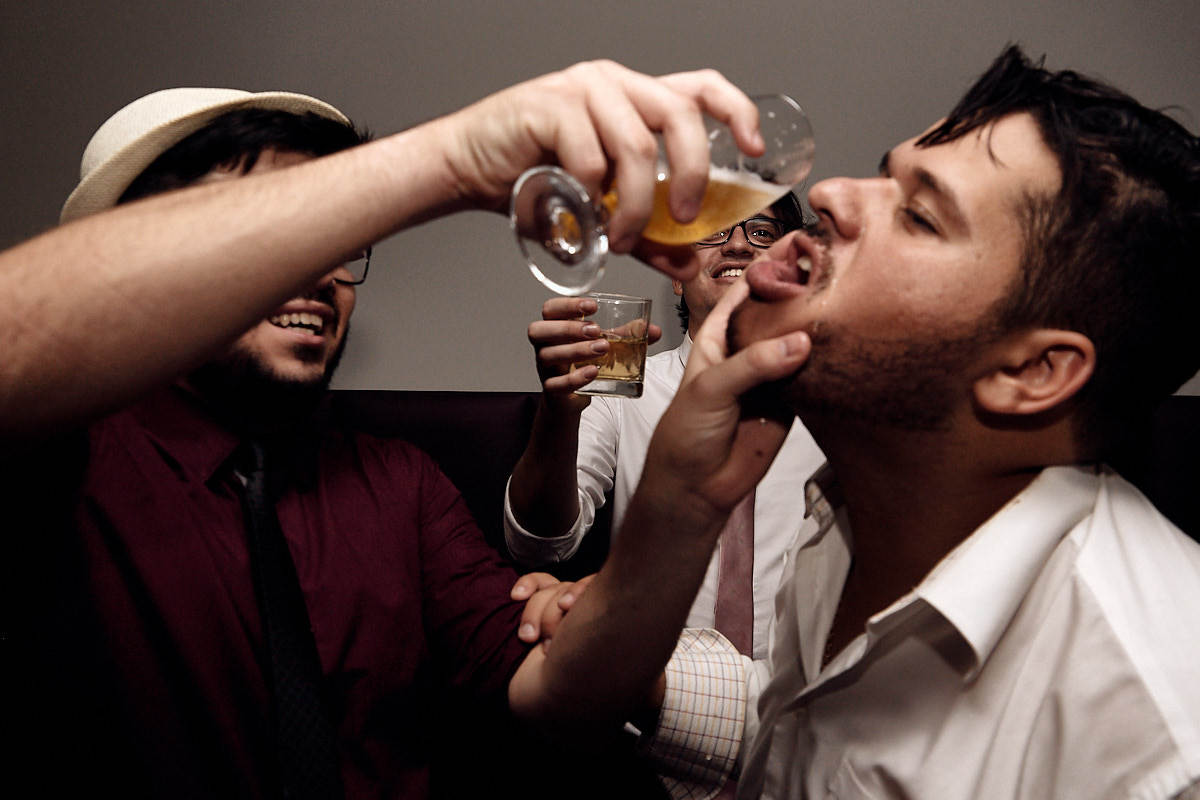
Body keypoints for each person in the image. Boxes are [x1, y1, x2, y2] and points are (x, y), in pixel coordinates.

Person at [2, 68, 766, 800]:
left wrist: (667, 523)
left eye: (329, 236)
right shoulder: (62, 463)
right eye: (266, 229)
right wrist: (457, 157)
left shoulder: (399, 484)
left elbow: (556, 686)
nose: (317, 268)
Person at [528, 46, 1200, 799]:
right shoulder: (852, 518)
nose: (834, 194)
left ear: (1028, 373)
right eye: (885, 175)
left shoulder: (1159, 736)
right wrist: (672, 524)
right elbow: (814, 732)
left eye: (917, 214)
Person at [505, 192, 825, 661]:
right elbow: (539, 543)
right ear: (677, 277)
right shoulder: (623, 383)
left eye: (761, 232)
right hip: (652, 684)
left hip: (799, 691)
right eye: (715, 231)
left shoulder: (834, 398)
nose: (737, 244)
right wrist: (558, 411)